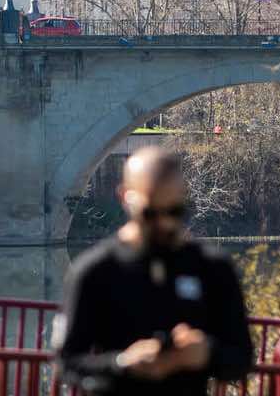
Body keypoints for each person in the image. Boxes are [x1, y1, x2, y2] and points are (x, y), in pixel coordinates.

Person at [58, 147, 253, 395]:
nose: (164, 223)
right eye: (150, 213)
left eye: (174, 212)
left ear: (183, 199)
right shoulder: (95, 271)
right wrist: (122, 363)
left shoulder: (213, 268)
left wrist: (205, 353)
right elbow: (68, 362)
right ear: (124, 197)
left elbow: (242, 359)